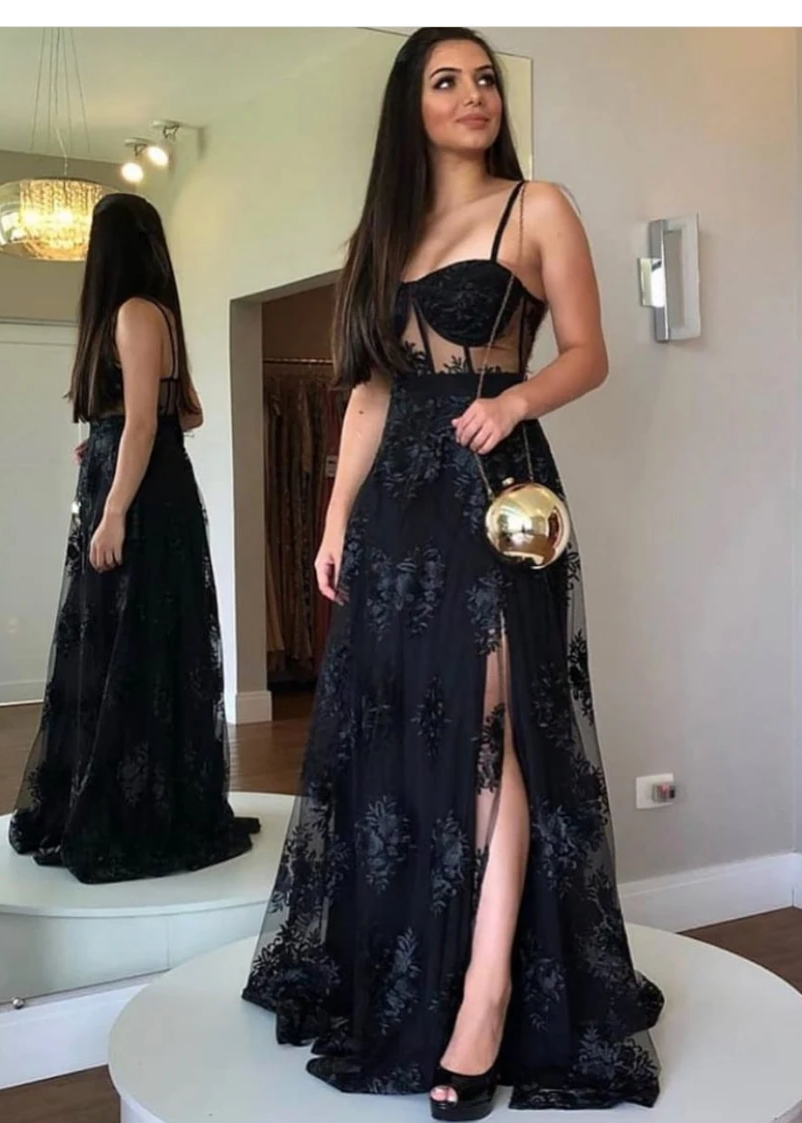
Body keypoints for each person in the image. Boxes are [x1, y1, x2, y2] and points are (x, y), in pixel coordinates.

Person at [241, 27, 663, 1118]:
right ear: (412, 107)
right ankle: (415, 964)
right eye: (447, 81)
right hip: (396, 507)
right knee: (403, 728)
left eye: (484, 79)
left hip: (494, 492)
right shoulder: (381, 236)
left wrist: (514, 399)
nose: (473, 95)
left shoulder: (538, 206)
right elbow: (369, 392)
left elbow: (589, 352)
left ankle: (485, 993)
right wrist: (335, 517)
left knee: (493, 728)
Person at [8, 193, 259, 884]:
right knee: (136, 638)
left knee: (129, 641)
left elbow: (150, 423)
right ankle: (142, 793)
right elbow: (185, 413)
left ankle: (133, 807)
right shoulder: (156, 314)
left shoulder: (133, 314)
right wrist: (106, 440)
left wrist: (115, 503)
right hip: (149, 485)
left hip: (143, 502)